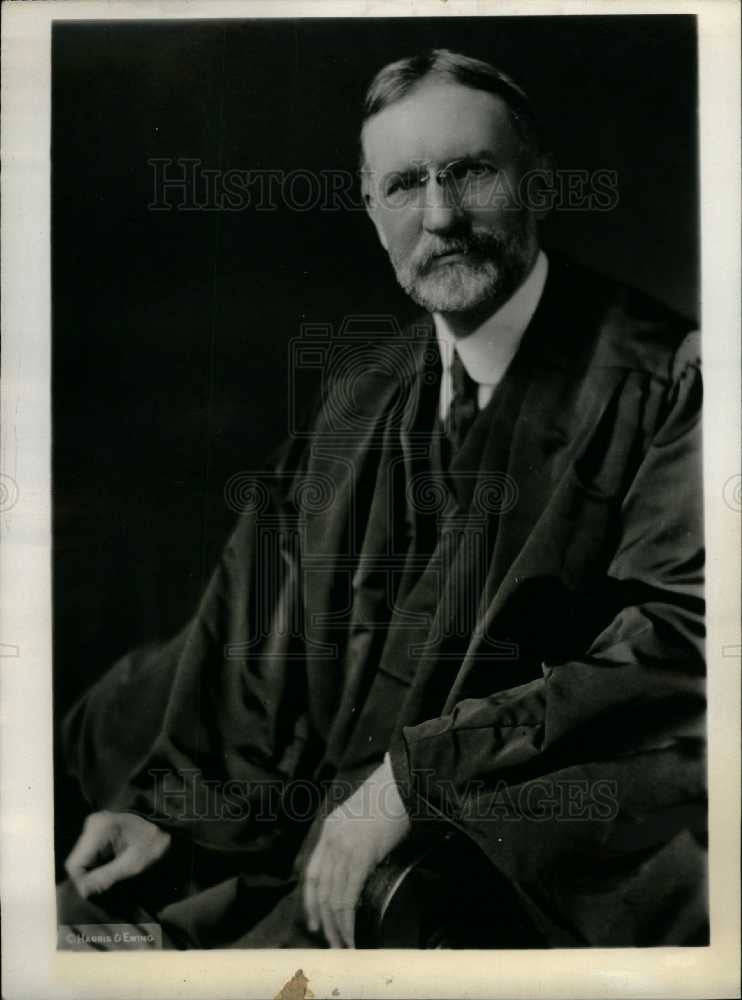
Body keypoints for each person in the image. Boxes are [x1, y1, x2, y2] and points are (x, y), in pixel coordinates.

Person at [57, 48, 706, 949]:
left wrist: (415, 778)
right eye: (405, 185)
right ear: (372, 211)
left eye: (472, 172)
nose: (440, 216)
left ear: (540, 184)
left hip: (477, 832)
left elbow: (682, 645)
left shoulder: (665, 380)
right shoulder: (366, 391)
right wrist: (174, 809)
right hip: (309, 816)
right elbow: (260, 622)